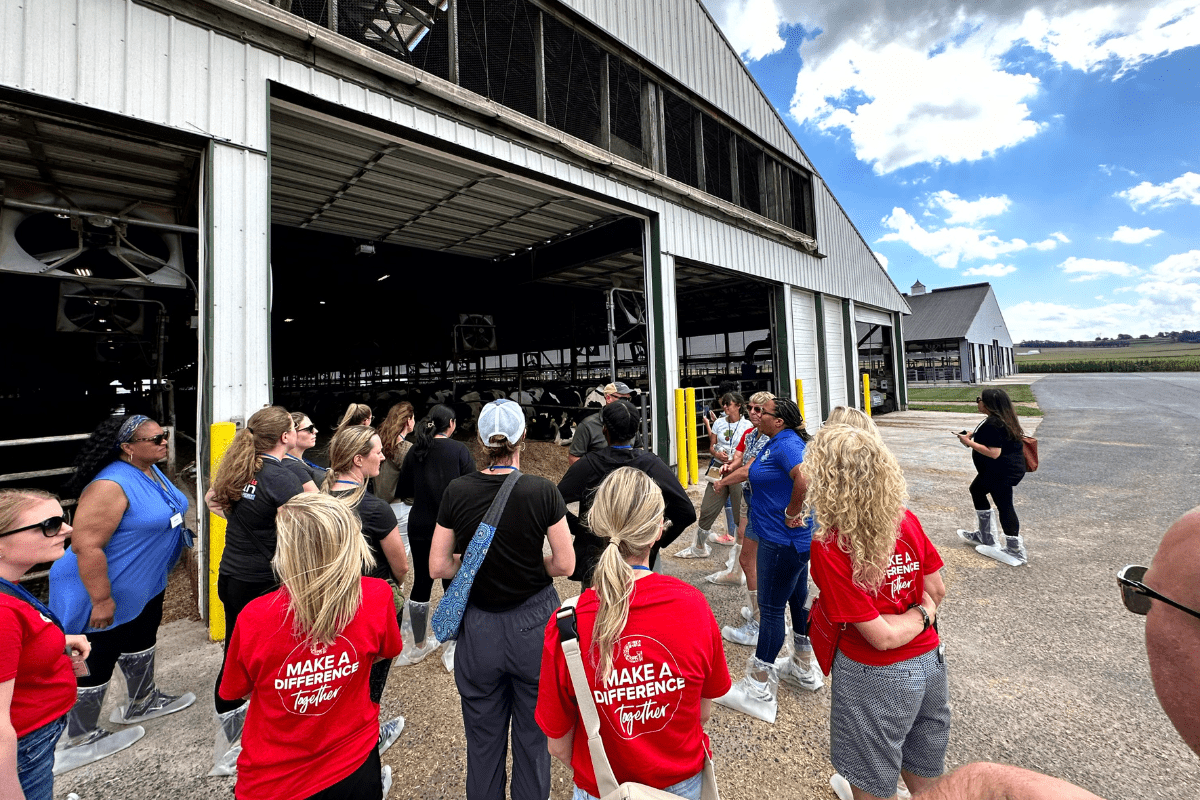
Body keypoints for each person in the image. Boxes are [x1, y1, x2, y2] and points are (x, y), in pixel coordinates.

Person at [915, 507, 1200, 800]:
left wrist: (978, 782)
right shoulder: (908, 523)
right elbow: (936, 588)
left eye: (1144, 596)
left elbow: (888, 629)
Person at [536, 467, 731, 800]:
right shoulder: (693, 607)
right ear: (658, 531)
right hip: (682, 786)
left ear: (598, 525)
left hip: (602, 789)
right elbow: (702, 712)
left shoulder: (566, 624)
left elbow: (558, 744)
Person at [430, 399, 574, 800]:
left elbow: (438, 566)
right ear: (522, 438)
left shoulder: (456, 491)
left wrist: (470, 559)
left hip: (479, 627)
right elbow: (565, 563)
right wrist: (531, 563)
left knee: (482, 741)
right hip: (532, 625)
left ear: (478, 440)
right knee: (533, 739)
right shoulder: (541, 490)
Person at [218, 492, 402, 800]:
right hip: (355, 759)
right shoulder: (376, 595)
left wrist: (305, 680)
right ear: (351, 543)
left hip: (275, 778)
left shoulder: (256, 617)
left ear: (286, 549)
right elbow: (384, 652)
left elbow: (240, 689)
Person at [802, 424, 948, 800]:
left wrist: (915, 618)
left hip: (874, 673)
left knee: (870, 782)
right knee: (925, 774)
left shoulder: (831, 543)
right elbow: (936, 591)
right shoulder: (905, 518)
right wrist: (925, 614)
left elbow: (880, 636)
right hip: (930, 663)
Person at [49, 415, 196, 774]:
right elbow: (87, 546)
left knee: (140, 636)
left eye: (163, 436)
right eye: (154, 439)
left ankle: (142, 700)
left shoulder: (151, 470)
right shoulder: (110, 485)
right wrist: (101, 599)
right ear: (127, 448)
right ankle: (79, 736)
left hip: (144, 584)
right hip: (100, 588)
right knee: (98, 653)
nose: (164, 442)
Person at [204, 406, 305, 771]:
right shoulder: (282, 476)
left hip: (232, 576)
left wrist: (241, 518)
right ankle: (269, 735)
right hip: (265, 581)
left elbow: (212, 499)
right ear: (285, 437)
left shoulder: (242, 467)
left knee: (235, 650)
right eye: (294, 428)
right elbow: (305, 529)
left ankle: (230, 740)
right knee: (276, 657)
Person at [716, 397, 822, 724]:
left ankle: (758, 688)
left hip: (781, 539)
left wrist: (792, 512)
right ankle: (803, 664)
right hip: (789, 540)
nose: (757, 415)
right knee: (795, 599)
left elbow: (804, 477)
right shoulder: (774, 440)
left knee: (773, 608)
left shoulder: (786, 444)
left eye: (764, 412)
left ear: (779, 421)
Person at [322, 424, 410, 752]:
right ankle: (364, 747)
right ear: (359, 460)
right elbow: (400, 566)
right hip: (371, 608)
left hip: (329, 605)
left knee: (338, 680)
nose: (384, 456)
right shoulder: (375, 509)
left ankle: (338, 741)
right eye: (377, 452)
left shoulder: (318, 501)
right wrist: (392, 588)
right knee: (370, 684)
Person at [1, 489, 91, 800]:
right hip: (24, 747)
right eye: (50, 524)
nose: (67, 529)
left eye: (62, 519)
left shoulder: (7, 586)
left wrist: (56, 641)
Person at [557, 399, 695, 587]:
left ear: (604, 428)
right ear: (636, 430)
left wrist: (584, 529)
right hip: (639, 557)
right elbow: (686, 512)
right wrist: (656, 538)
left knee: (596, 610)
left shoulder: (588, 465)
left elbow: (552, 503)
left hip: (597, 560)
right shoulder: (651, 465)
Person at [394, 404, 474, 665]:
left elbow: (404, 487)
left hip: (420, 522)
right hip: (451, 525)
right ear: (450, 424)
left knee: (422, 582)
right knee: (452, 583)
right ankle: (451, 647)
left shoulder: (416, 449)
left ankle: (416, 645)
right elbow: (472, 487)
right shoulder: (459, 450)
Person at [710, 391, 775, 643]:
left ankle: (761, 621)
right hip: (752, 500)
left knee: (754, 559)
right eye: (751, 408)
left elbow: (749, 469)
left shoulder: (771, 439)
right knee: (746, 549)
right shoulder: (750, 435)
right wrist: (728, 466)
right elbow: (739, 459)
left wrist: (723, 481)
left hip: (764, 503)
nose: (754, 413)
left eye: (760, 410)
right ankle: (758, 612)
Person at [954, 388, 1028, 566]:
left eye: (979, 399)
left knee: (1004, 505)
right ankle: (985, 535)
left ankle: (1015, 550)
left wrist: (969, 442)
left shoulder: (994, 423)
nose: (978, 402)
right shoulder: (999, 420)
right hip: (997, 470)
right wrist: (973, 437)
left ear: (988, 404)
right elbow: (991, 441)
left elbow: (994, 452)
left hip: (1001, 471)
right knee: (977, 490)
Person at [675, 392, 752, 556]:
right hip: (718, 467)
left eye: (728, 404)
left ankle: (740, 556)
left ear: (738, 406)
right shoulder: (718, 423)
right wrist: (717, 454)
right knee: (707, 507)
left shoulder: (748, 427)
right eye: (723, 404)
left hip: (737, 468)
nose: (725, 407)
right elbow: (712, 446)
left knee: (740, 511)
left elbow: (748, 451)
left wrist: (736, 461)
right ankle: (699, 547)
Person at [375, 402, 416, 560]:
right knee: (400, 557)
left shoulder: (381, 442)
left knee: (383, 555)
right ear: (408, 421)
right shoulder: (406, 448)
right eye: (413, 419)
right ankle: (397, 586)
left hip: (380, 505)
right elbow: (413, 481)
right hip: (400, 507)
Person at [568, 381, 632, 465]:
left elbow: (639, 448)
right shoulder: (587, 425)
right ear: (608, 398)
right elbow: (574, 458)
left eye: (629, 399)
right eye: (623, 399)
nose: (627, 403)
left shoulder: (631, 422)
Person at [284, 412, 326, 491]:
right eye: (310, 429)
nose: (315, 431)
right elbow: (319, 501)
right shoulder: (294, 467)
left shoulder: (300, 461)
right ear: (292, 433)